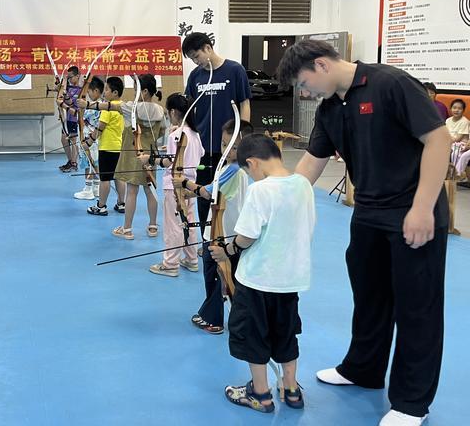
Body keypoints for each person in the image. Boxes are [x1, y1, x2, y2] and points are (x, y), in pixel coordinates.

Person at [277, 39, 451, 426]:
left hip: (412, 212)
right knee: (370, 299)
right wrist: (275, 203)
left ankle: (411, 403)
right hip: (368, 214)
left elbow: (439, 139)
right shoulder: (329, 108)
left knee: (417, 309)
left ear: (321, 65)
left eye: (303, 83)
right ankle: (363, 369)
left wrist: (422, 207)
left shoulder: (391, 84)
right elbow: (310, 165)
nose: (304, 92)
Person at [210, 133, 314, 414]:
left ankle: (260, 394)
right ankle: (291, 390)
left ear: (253, 162)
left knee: (253, 334)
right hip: (290, 280)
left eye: (248, 171)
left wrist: (227, 250)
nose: (251, 177)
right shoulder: (303, 184)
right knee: (286, 333)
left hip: (258, 280)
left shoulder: (260, 190)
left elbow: (247, 236)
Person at [175, 119, 254, 333]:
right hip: (227, 232)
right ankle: (239, 320)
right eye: (224, 144)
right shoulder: (233, 167)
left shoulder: (235, 169)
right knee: (227, 278)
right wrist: (189, 193)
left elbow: (209, 192)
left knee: (215, 277)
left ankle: (213, 320)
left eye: (234, 147)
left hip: (221, 234)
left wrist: (184, 183)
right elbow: (215, 192)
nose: (227, 150)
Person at [181, 32, 251, 240]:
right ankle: (207, 240)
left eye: (197, 56)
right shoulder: (196, 76)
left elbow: (244, 104)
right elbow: (188, 109)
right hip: (203, 148)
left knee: (228, 196)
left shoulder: (235, 70)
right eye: (192, 59)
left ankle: (227, 239)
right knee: (204, 194)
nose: (196, 61)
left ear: (208, 48)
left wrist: (242, 139)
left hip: (229, 149)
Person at [138, 92, 203, 276]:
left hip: (174, 186)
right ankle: (191, 260)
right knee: (189, 222)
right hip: (190, 185)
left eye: (168, 112)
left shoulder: (176, 135)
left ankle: (170, 264)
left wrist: (149, 159)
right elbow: (199, 154)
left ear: (173, 112)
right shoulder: (195, 134)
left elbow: (169, 162)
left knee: (173, 225)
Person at [111, 74, 166, 239]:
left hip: (134, 154)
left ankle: (127, 229)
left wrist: (87, 105)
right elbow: (162, 131)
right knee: (150, 190)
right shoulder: (160, 110)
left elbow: (110, 106)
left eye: (136, 90)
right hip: (150, 155)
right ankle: (153, 226)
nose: (134, 93)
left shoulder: (132, 108)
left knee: (132, 191)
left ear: (145, 91)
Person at [81, 77, 126, 218]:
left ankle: (101, 206)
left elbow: (100, 128)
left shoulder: (108, 108)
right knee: (118, 177)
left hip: (107, 147)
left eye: (107, 89)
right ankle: (121, 203)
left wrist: (89, 142)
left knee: (105, 178)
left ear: (115, 92)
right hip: (119, 146)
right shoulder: (123, 106)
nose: (104, 92)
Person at [74, 76, 104, 200]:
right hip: (95, 139)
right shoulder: (101, 105)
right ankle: (96, 187)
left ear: (96, 91)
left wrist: (80, 109)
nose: (88, 94)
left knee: (89, 163)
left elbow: (82, 117)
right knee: (95, 163)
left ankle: (88, 190)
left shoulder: (96, 106)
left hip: (90, 139)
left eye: (89, 91)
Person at [57, 67, 81, 173]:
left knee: (73, 140)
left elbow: (70, 103)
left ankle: (74, 163)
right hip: (67, 118)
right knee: (64, 139)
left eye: (71, 77)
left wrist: (65, 94)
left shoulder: (80, 89)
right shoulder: (68, 87)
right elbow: (60, 97)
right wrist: (60, 86)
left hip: (74, 118)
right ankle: (70, 161)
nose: (69, 79)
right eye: (68, 77)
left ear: (77, 76)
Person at [446, 99, 470, 181]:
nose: (456, 110)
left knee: (455, 152)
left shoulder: (464, 121)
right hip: (449, 142)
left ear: (463, 110)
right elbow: (445, 134)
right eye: (454, 108)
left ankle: (454, 175)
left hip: (460, 143)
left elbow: (458, 139)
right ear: (451, 109)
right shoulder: (448, 120)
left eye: (459, 108)